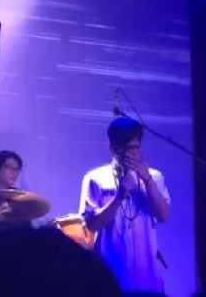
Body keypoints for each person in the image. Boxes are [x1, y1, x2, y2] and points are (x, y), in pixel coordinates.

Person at [79, 117, 170, 293]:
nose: (130, 154)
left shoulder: (154, 177)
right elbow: (91, 225)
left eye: (134, 148)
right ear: (112, 147)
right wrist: (118, 197)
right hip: (109, 276)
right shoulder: (95, 178)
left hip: (146, 277)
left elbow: (164, 215)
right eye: (124, 148)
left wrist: (147, 179)